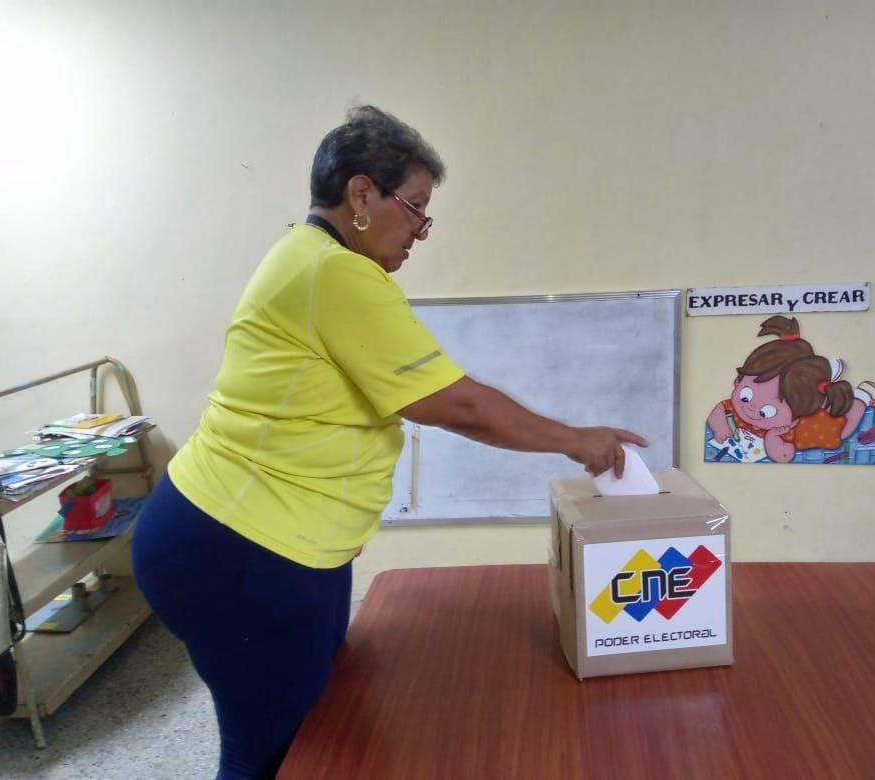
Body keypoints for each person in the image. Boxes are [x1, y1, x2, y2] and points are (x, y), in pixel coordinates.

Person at [131, 105, 645, 779]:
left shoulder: (308, 257)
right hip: (239, 548)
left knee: (308, 728)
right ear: (361, 194)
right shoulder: (334, 273)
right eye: (417, 208)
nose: (422, 232)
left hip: (245, 537)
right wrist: (577, 441)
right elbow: (456, 404)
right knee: (280, 750)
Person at [705, 316, 875, 463]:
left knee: (841, 429)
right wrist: (720, 428)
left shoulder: (788, 431)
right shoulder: (735, 409)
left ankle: (862, 398)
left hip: (802, 427)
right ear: (739, 381)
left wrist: (772, 439)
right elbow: (719, 410)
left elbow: (784, 457)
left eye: (766, 411)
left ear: (793, 419)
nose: (750, 408)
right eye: (745, 395)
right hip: (801, 401)